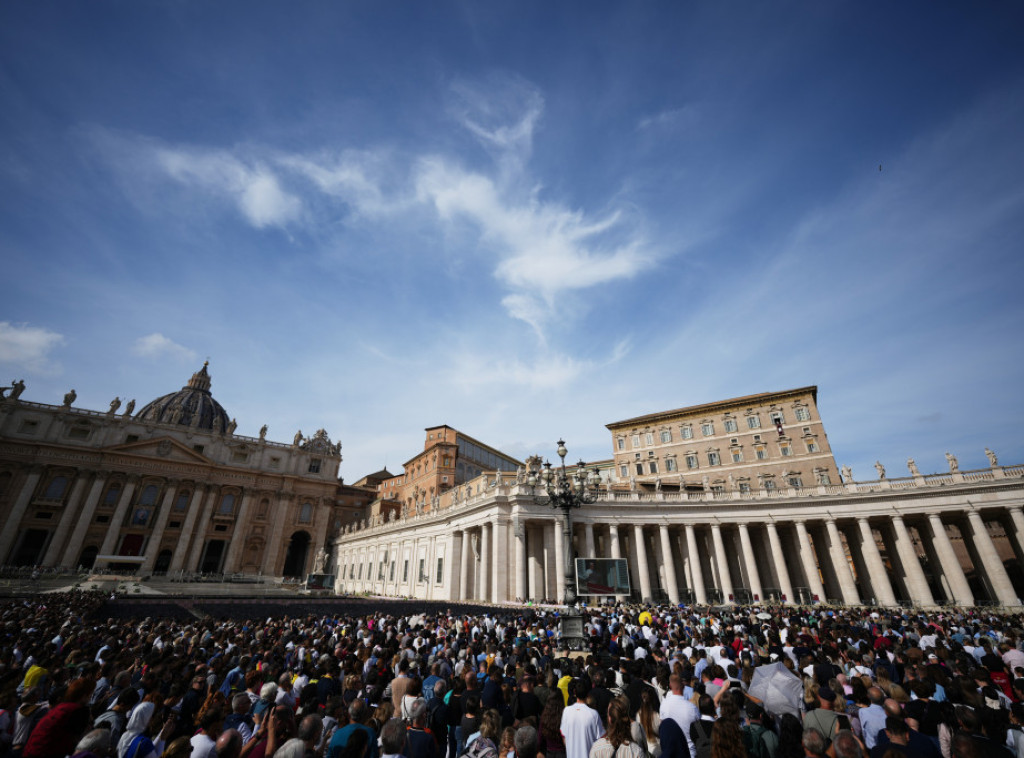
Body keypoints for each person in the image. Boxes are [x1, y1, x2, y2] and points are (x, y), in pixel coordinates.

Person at [659, 676, 697, 758]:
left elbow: (662, 729)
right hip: (691, 752)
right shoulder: (692, 708)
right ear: (683, 686)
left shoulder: (664, 705)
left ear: (670, 686)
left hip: (672, 753)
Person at [559, 686, 601, 758]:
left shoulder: (566, 711)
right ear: (587, 695)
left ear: (575, 693)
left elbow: (563, 736)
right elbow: (600, 739)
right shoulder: (594, 714)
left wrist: (571, 749)